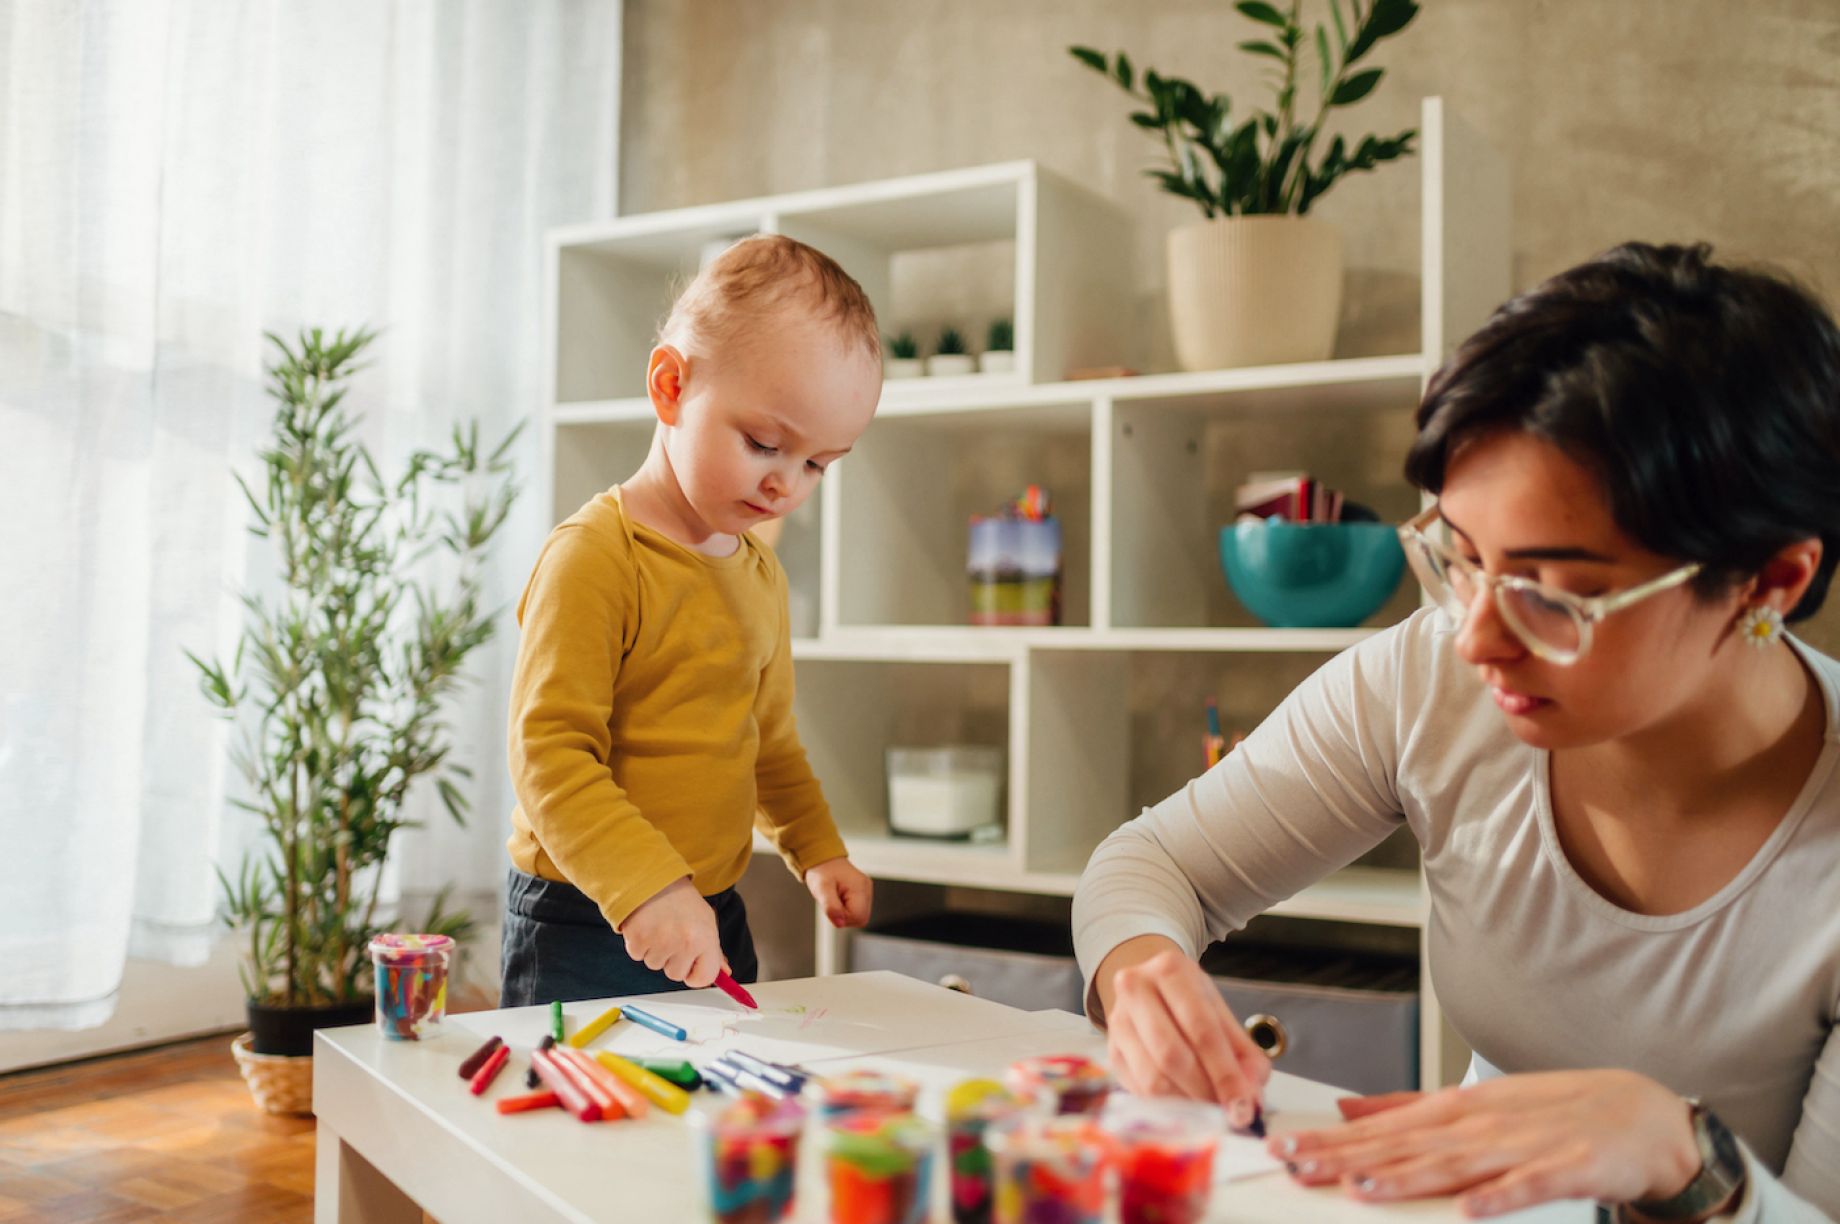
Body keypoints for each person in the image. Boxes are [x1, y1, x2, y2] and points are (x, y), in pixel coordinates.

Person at [1073, 242, 1840, 1220]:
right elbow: (1151, 864)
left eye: (1554, 593)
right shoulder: (1429, 676)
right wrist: (1145, 977)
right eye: (1463, 558)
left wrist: (1679, 1155)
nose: (1477, 637)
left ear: (1770, 582)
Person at [502, 234, 880, 1007]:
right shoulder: (595, 557)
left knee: (714, 1082)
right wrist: (648, 889)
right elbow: (549, 755)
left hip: (708, 912)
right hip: (584, 917)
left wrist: (817, 851)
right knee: (580, 1089)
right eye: (765, 444)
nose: (785, 485)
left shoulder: (760, 575)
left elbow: (769, 744)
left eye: (817, 464)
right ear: (671, 387)